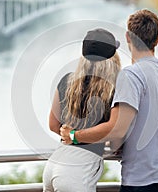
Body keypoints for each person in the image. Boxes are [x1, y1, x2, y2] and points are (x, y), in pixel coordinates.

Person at [61, 9, 158, 192]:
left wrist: (74, 136)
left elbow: (117, 130)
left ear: (128, 37)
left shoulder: (130, 75)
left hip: (142, 179)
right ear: (157, 40)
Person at [43, 28, 121, 192]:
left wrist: (72, 135)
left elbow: (53, 124)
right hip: (77, 173)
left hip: (54, 164)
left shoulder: (67, 80)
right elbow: (115, 137)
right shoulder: (114, 90)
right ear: (111, 59)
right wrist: (86, 137)